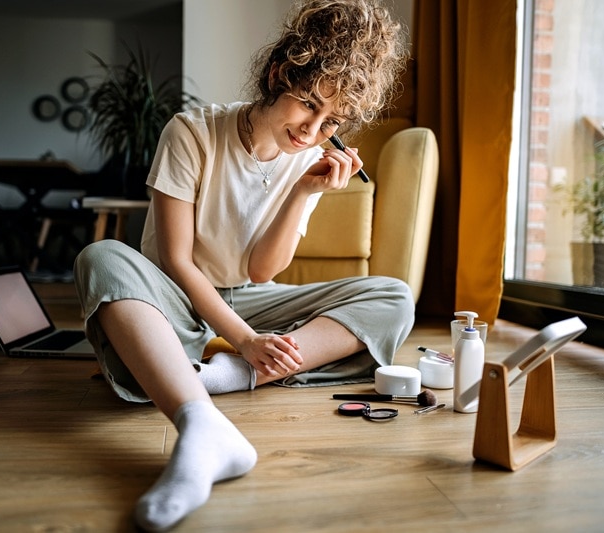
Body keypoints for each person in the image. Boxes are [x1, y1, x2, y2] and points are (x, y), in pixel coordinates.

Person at [74, 0, 410, 529]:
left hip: (247, 298)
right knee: (101, 257)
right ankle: (199, 418)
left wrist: (303, 191)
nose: (312, 129)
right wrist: (247, 340)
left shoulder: (308, 158)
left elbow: (260, 271)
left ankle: (212, 377)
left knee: (393, 296)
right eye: (307, 104)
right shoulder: (190, 133)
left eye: (332, 122)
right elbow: (177, 261)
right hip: (174, 297)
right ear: (279, 75)